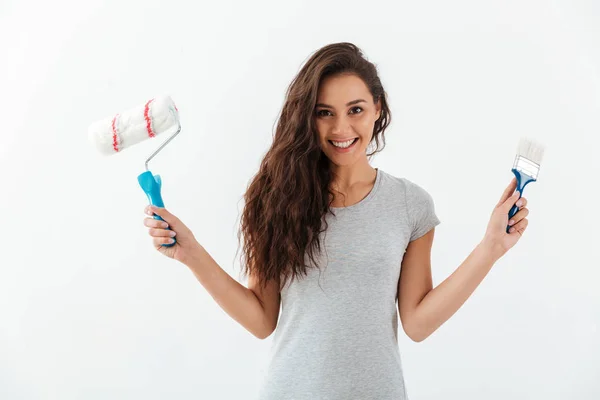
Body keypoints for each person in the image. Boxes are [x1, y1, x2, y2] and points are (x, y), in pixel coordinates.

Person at [142, 42, 530, 399]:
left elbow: (418, 323)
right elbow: (261, 319)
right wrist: (190, 252)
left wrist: (490, 248)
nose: (341, 128)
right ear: (307, 119)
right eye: (324, 113)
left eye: (355, 110)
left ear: (378, 108)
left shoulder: (410, 204)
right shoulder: (275, 197)